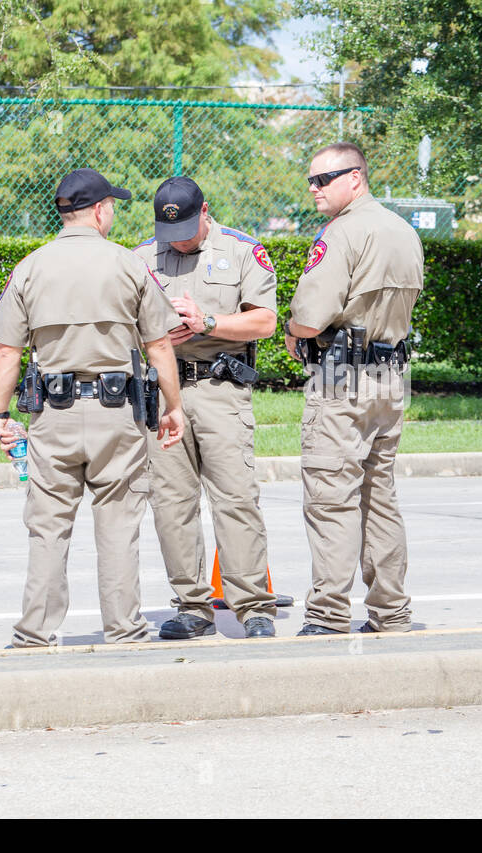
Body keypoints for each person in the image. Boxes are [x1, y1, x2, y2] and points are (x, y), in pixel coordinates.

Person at [0, 167, 185, 648]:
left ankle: (34, 632)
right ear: (98, 210)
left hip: (51, 416)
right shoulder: (128, 266)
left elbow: (8, 352)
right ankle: (124, 629)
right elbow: (159, 346)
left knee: (48, 526)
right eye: (112, 206)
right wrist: (173, 407)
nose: (113, 213)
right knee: (118, 522)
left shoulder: (30, 267)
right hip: (117, 414)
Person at [283, 142, 423, 635]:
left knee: (330, 496)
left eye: (324, 179)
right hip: (390, 378)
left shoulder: (342, 232)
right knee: (379, 496)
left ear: (356, 178)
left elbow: (309, 315)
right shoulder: (403, 230)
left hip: (341, 379)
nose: (314, 189)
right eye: (311, 181)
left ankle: (327, 614)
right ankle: (391, 611)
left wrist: (292, 332)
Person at [133, 176, 279, 639]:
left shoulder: (242, 251)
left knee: (235, 498)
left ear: (206, 212)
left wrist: (207, 321)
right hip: (162, 391)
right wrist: (152, 335)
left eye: (186, 231)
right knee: (171, 503)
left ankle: (253, 606)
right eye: (167, 233)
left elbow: (266, 321)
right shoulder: (140, 258)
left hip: (219, 389)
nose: (175, 242)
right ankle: (192, 605)